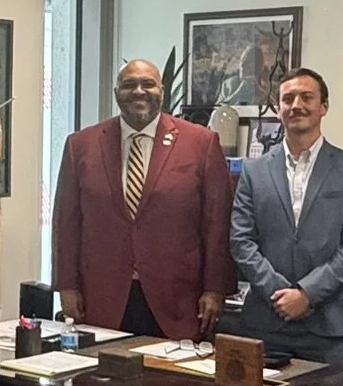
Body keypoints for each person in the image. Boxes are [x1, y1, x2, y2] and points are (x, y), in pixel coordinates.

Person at [52, 58, 234, 340]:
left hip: (177, 299)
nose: (139, 91)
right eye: (129, 85)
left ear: (161, 91)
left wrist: (215, 289)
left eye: (148, 84)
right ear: (116, 93)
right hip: (103, 298)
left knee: (174, 381)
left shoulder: (201, 144)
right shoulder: (81, 145)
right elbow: (66, 223)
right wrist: (66, 286)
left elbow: (216, 224)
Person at [225, 68, 343, 368]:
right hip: (266, 322)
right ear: (278, 108)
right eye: (288, 98)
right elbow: (241, 240)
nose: (297, 105)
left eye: (307, 97)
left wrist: (307, 294)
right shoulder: (254, 172)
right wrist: (278, 293)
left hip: (328, 326)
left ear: (324, 107)